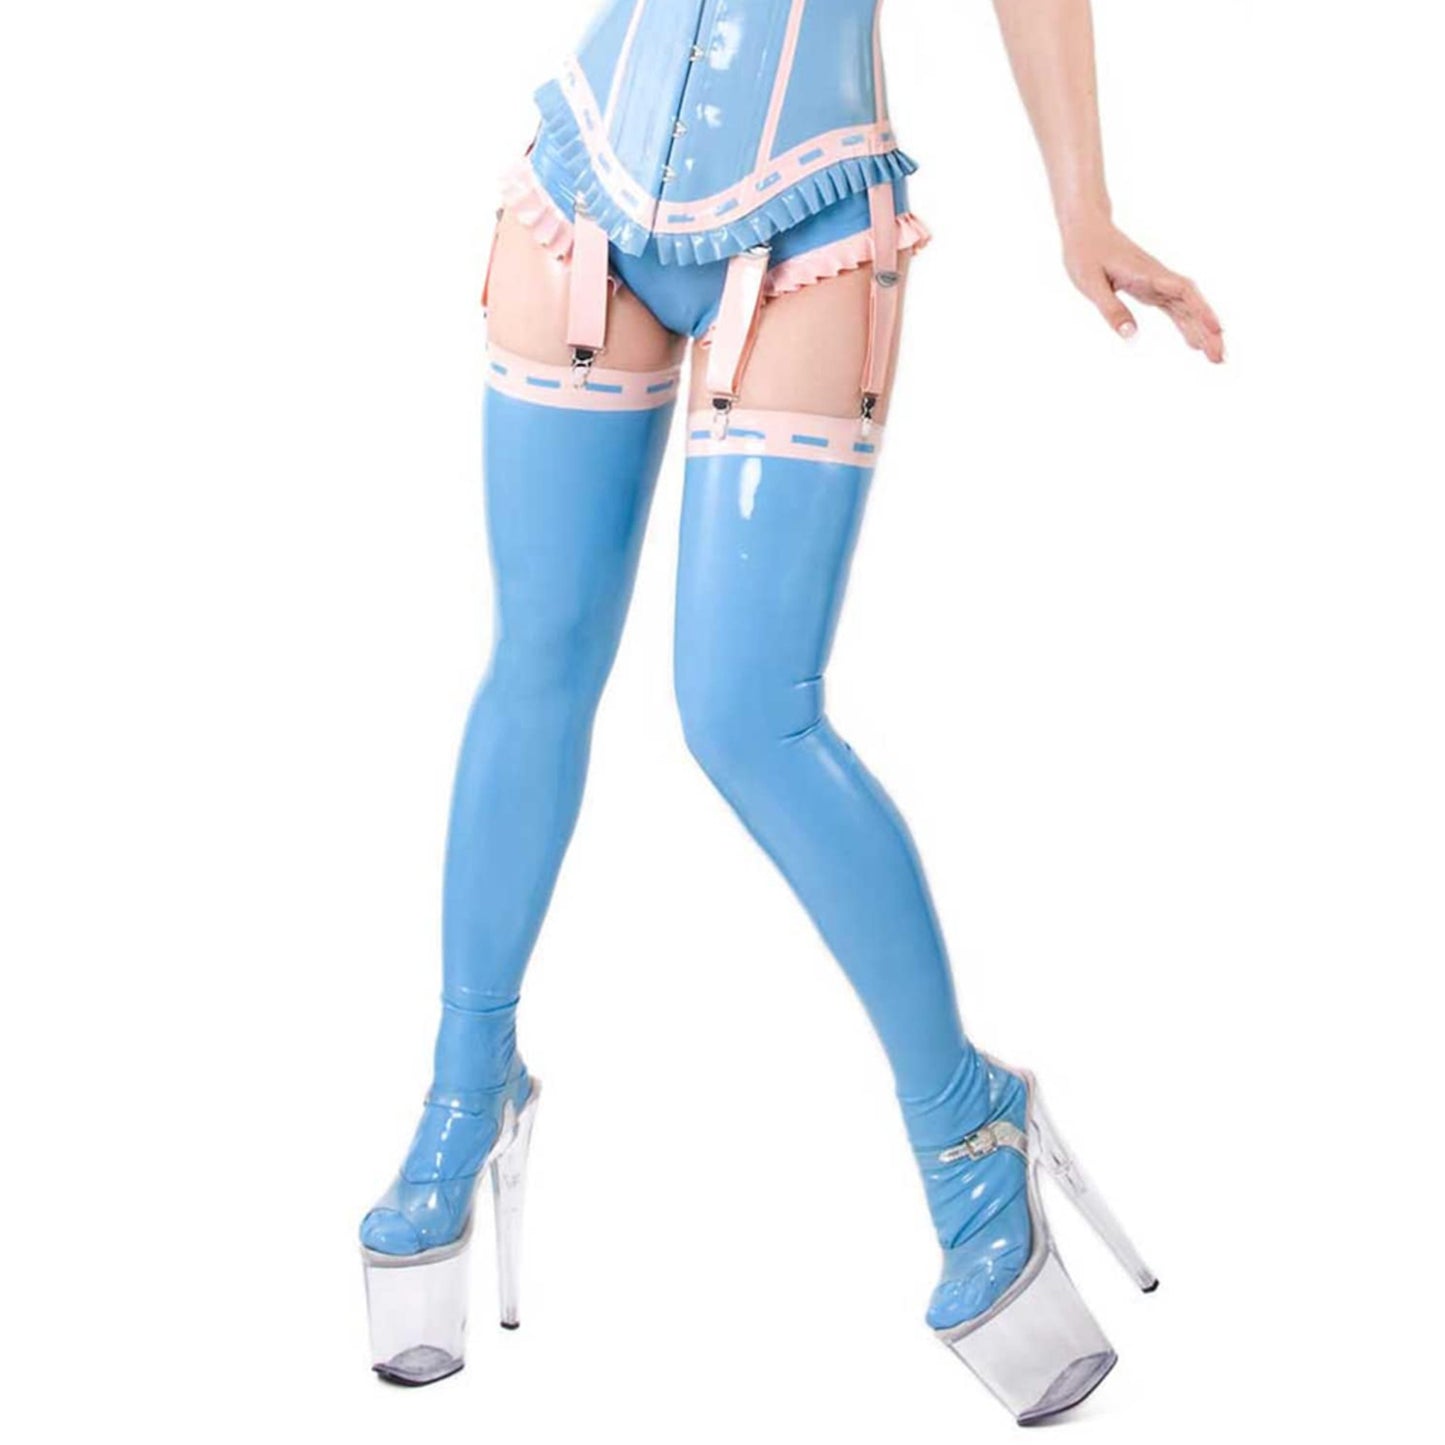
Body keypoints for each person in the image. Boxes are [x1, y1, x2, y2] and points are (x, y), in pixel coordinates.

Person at [359, 0, 1221, 1420]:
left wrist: (1083, 203)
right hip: (584, 189)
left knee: (745, 711)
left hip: (811, 218)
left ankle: (968, 1127)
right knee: (538, 660)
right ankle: (467, 1090)